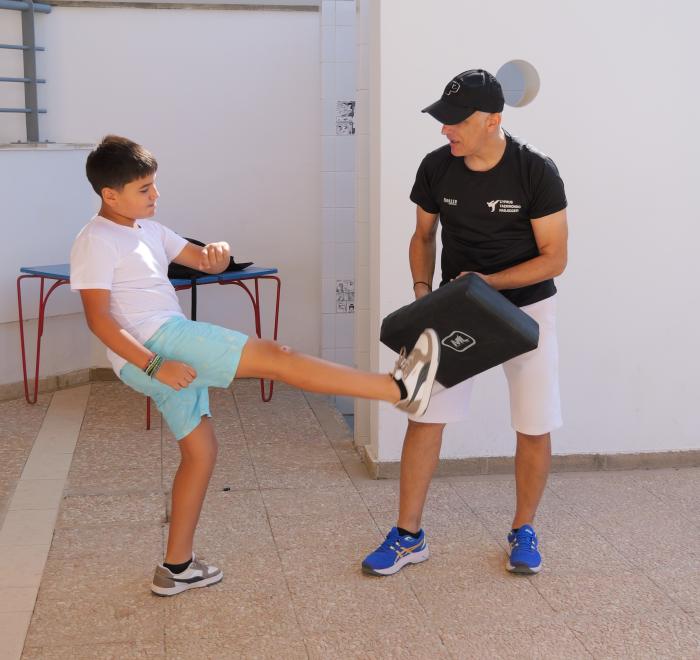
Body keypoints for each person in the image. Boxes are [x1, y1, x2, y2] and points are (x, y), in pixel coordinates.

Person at [70, 135, 440, 596]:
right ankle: (398, 389)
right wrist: (155, 365)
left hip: (163, 350)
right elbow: (99, 320)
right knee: (275, 357)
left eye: (154, 185)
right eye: (144, 189)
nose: (155, 194)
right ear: (110, 195)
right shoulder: (95, 240)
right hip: (156, 344)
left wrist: (217, 253)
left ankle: (176, 566)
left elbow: (202, 261)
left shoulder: (150, 230)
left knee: (201, 453)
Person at [361, 69, 568, 576]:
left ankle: (523, 529)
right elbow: (422, 236)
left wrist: (488, 282)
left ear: (493, 120)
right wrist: (422, 294)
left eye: (456, 120)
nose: (444, 129)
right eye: (443, 118)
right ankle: (409, 536)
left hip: (526, 308)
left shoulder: (536, 170)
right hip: (456, 306)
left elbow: (554, 258)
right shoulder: (436, 167)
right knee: (423, 414)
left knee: (534, 422)